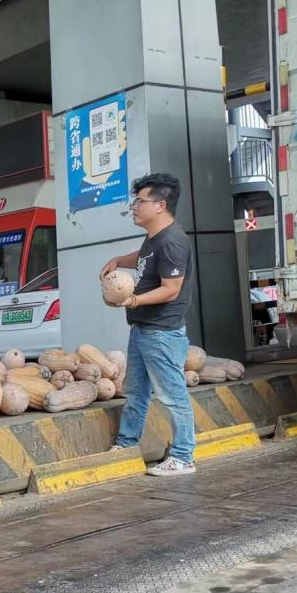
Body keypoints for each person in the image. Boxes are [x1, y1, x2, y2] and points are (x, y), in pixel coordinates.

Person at [100, 173, 197, 477]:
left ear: (160, 205)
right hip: (143, 330)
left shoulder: (173, 243)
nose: (134, 207)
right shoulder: (155, 238)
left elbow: (171, 289)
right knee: (137, 392)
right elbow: (143, 257)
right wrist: (118, 260)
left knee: (173, 395)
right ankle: (127, 444)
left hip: (162, 333)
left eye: (139, 201)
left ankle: (183, 457)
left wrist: (133, 301)